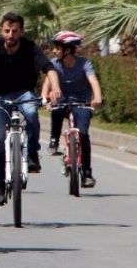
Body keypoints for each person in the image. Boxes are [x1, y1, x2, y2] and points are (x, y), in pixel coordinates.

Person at [0, 12, 62, 206]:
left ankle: (32, 153)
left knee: (31, 113)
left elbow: (49, 68)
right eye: (7, 31)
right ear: (1, 30)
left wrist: (56, 88)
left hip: (25, 94)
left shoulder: (30, 47)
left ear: (21, 32)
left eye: (15, 31)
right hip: (0, 97)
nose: (10, 35)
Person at [41, 31, 103, 188]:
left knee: (83, 135)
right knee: (56, 109)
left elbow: (93, 81)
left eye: (57, 48)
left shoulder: (84, 64)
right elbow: (47, 84)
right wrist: (44, 99)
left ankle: (87, 173)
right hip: (62, 101)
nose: (54, 51)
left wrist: (97, 98)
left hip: (81, 103)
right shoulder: (54, 64)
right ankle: (54, 140)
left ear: (68, 50)